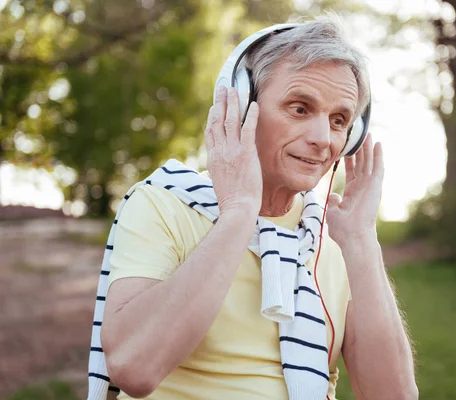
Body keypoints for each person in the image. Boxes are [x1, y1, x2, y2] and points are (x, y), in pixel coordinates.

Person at [87, 14, 418, 400]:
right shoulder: (163, 204)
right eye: (299, 108)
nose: (322, 139)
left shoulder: (336, 244)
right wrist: (240, 213)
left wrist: (362, 241)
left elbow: (393, 396)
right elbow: (133, 366)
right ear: (242, 105)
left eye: (339, 120)